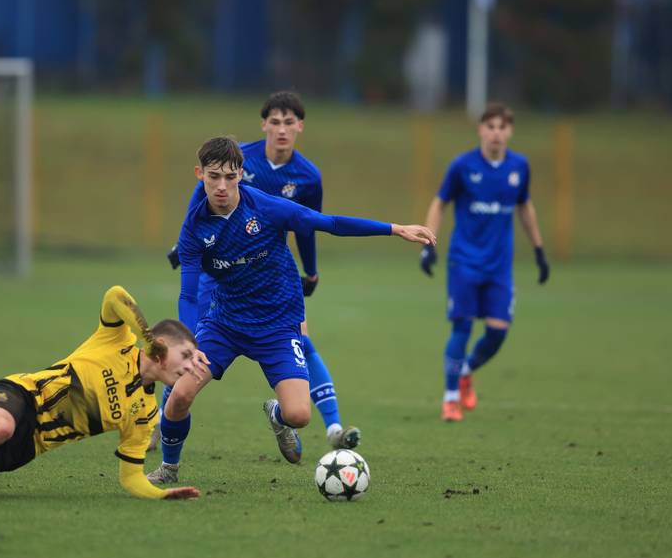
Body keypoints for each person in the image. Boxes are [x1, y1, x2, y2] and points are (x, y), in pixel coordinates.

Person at [148, 136, 435, 484]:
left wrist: (395, 229)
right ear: (200, 175)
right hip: (225, 323)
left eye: (229, 176)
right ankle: (169, 468)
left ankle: (278, 418)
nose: (221, 186)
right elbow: (190, 296)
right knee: (179, 396)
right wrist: (188, 347)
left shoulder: (268, 208)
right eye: (213, 177)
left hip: (277, 323)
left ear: (241, 173)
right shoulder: (195, 228)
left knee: (299, 415)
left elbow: (328, 223)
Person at [0, 286, 208, 503]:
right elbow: (115, 295)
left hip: (29, 446)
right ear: (160, 349)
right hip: (17, 395)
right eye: (186, 357)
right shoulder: (116, 341)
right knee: (0, 427)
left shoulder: (146, 414)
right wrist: (144, 334)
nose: (191, 367)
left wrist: (162, 495)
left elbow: (131, 477)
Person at [164, 91, 359, 451]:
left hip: (268, 272)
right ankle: (165, 423)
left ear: (300, 127)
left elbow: (309, 225)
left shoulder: (307, 176)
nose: (282, 129)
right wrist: (184, 242)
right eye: (275, 121)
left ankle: (324, 422)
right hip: (218, 270)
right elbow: (200, 202)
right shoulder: (238, 159)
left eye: (289, 122)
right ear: (264, 124)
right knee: (193, 351)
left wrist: (311, 271)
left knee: (301, 338)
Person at [419, 103, 550, 422]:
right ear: (480, 130)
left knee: (498, 332)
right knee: (462, 326)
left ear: (510, 131)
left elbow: (525, 207)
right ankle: (450, 398)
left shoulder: (520, 167)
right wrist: (428, 243)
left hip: (499, 266)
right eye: (490, 126)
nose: (496, 133)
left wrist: (539, 250)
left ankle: (466, 371)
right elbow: (440, 203)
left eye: (501, 127)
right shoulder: (462, 166)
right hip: (464, 261)